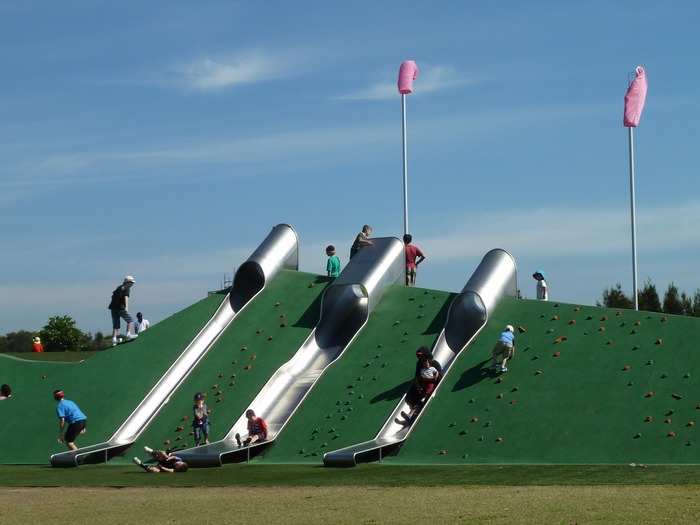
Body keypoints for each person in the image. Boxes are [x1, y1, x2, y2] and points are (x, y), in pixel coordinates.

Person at [398, 347, 442, 425]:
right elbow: (417, 377)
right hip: (421, 384)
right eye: (419, 356)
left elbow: (439, 378)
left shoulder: (435, 364)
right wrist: (418, 386)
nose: (421, 358)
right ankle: (411, 415)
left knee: (423, 397)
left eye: (422, 356)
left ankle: (412, 414)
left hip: (431, 385)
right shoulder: (419, 364)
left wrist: (429, 382)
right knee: (410, 396)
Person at [109, 275, 137, 346]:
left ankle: (114, 339)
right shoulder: (127, 288)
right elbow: (126, 298)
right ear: (127, 282)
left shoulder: (119, 287)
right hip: (121, 308)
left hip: (113, 308)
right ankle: (128, 334)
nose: (132, 284)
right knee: (130, 320)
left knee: (116, 325)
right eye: (131, 282)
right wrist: (126, 307)